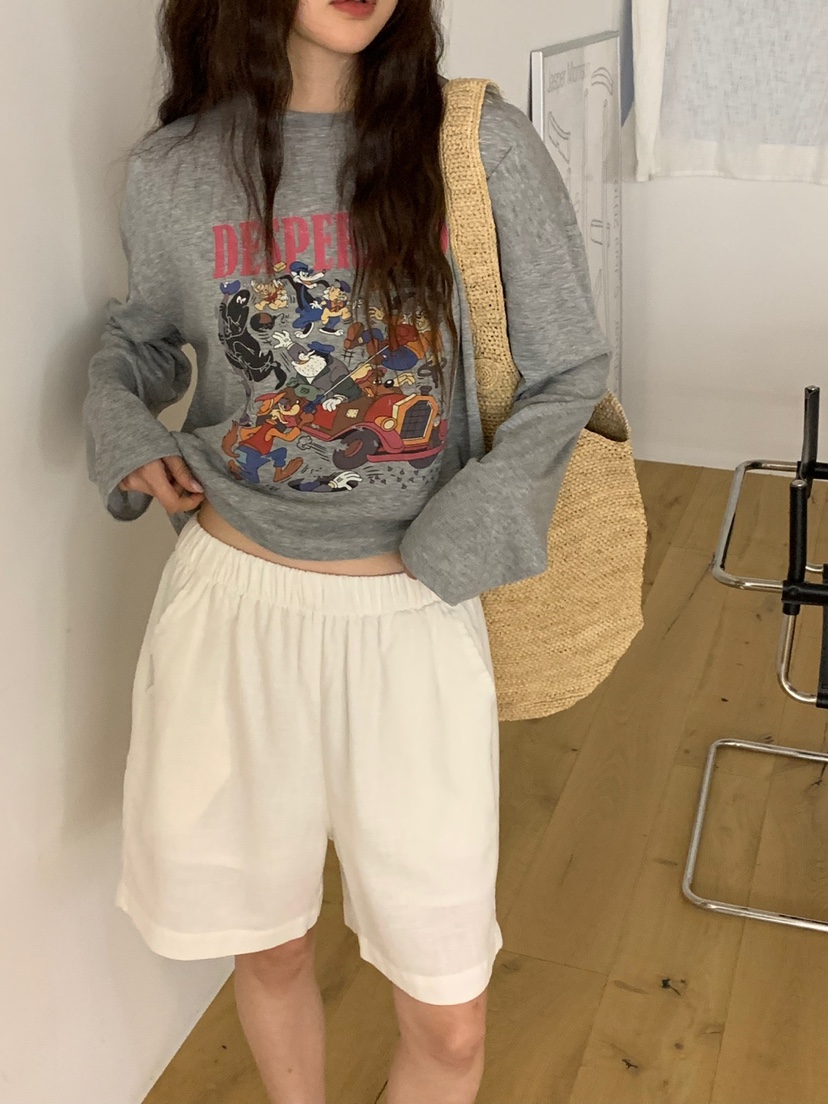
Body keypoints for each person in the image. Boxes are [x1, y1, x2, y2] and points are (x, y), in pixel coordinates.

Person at [82, 1, 612, 1101]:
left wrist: (467, 528)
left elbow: (570, 371)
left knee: (449, 1018)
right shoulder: (177, 169)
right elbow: (142, 337)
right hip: (231, 609)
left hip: (412, 609)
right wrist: (125, 429)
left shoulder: (476, 144)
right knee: (269, 947)